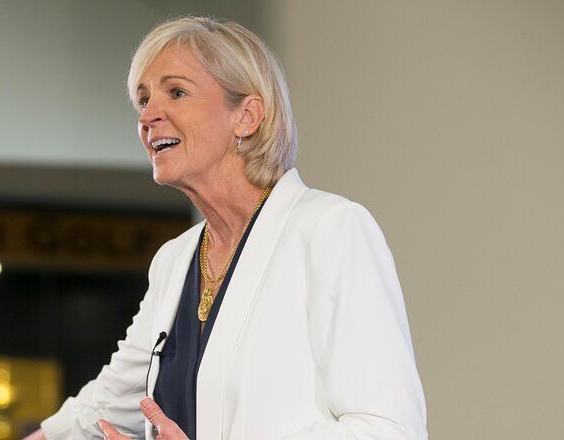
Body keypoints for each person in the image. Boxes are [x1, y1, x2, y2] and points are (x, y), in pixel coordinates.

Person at [24, 16, 427, 440]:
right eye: (142, 100)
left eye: (176, 92)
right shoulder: (174, 261)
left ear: (247, 117)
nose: (148, 116)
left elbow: (391, 429)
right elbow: (108, 404)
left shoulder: (332, 230)